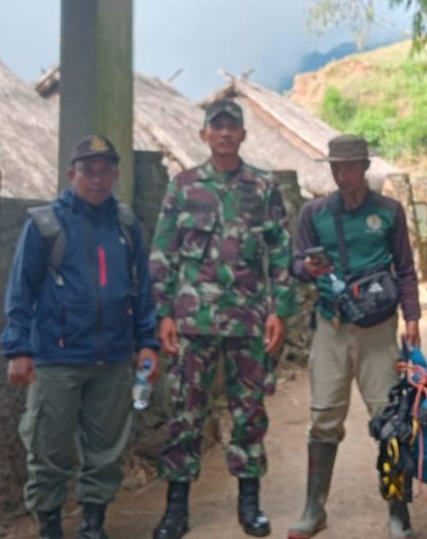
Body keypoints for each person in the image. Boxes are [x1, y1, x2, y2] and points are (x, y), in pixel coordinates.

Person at [1, 135, 161, 539]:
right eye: (88, 170)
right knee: (48, 448)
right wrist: (17, 349)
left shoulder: (126, 224)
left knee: (106, 449)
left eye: (105, 169)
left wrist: (147, 342)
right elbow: (21, 290)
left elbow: (142, 289)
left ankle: (93, 523)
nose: (97, 178)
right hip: (57, 358)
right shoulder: (46, 224)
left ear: (116, 175)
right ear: (71, 174)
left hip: (112, 359)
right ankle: (50, 524)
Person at [149, 99, 294, 539]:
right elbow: (163, 253)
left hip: (248, 322)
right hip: (193, 322)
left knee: (249, 413)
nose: (226, 134)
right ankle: (176, 509)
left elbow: (282, 254)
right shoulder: (184, 187)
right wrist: (163, 314)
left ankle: (249, 504)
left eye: (233, 128)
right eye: (218, 127)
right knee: (184, 414)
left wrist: (279, 310)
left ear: (243, 135)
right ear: (204, 135)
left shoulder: (263, 188)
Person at [287, 134, 421, 539]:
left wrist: (412, 317)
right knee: (324, 416)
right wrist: (307, 270)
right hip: (332, 325)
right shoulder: (315, 213)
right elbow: (294, 262)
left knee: (391, 419)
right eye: (335, 166)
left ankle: (399, 511)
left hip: (379, 329)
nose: (341, 173)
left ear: (364, 166)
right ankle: (314, 509)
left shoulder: (389, 212)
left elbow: (406, 269)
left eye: (348, 166)